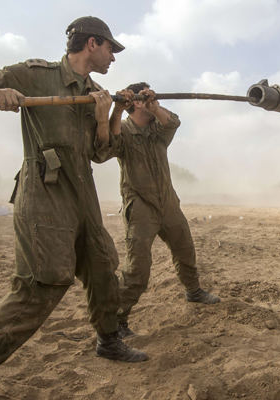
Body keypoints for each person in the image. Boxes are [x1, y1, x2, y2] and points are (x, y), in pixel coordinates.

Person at [0, 16, 147, 400]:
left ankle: (108, 340)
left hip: (82, 192)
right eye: (110, 49)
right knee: (43, 281)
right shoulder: (35, 75)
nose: (113, 58)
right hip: (45, 191)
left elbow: (101, 153)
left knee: (103, 266)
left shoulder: (96, 92)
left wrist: (108, 116)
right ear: (91, 44)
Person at [100, 82, 220, 340]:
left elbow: (173, 123)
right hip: (140, 205)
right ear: (136, 102)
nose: (150, 95)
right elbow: (109, 143)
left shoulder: (158, 128)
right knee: (137, 269)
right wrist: (118, 109)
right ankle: (118, 320)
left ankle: (194, 291)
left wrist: (154, 106)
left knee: (185, 249)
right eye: (145, 93)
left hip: (168, 201)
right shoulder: (124, 129)